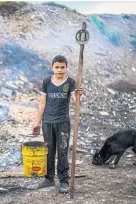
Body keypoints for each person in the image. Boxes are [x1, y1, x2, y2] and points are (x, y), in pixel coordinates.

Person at [33, 55, 84, 193]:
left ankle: (63, 181)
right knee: (48, 151)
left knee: (62, 151)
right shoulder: (46, 82)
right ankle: (49, 178)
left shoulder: (71, 83)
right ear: (52, 68)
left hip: (63, 123)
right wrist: (37, 123)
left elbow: (76, 99)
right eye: (57, 67)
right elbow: (42, 103)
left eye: (62, 67)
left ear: (66, 68)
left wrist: (81, 95)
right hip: (48, 122)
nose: (60, 70)